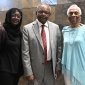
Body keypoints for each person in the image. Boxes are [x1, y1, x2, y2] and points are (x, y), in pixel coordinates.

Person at [22, 4, 62, 85]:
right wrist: (28, 72)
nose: (43, 14)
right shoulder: (27, 28)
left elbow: (59, 49)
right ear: (36, 13)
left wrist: (58, 67)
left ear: (49, 15)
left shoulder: (55, 27)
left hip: (51, 68)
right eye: (40, 12)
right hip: (34, 69)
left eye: (46, 12)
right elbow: (25, 53)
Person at [62, 4, 85, 85]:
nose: (73, 15)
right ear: (68, 16)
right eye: (71, 13)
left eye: (76, 13)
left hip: (82, 67)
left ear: (80, 15)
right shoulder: (64, 30)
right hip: (67, 67)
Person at [0, 8, 23, 85]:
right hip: (4, 70)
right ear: (8, 17)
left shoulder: (20, 33)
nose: (16, 18)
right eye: (13, 15)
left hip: (16, 70)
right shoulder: (2, 31)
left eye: (18, 16)